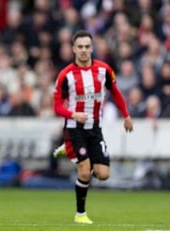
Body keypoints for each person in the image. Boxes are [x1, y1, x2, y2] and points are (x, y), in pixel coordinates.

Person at [53, 30, 133, 224]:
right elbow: (56, 106)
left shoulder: (104, 70)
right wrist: (73, 114)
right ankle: (80, 214)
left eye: (87, 46)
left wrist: (127, 115)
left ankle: (69, 150)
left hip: (95, 129)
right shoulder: (65, 75)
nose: (83, 50)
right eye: (79, 47)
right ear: (73, 49)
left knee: (103, 174)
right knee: (84, 170)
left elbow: (115, 92)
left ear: (92, 48)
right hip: (74, 128)